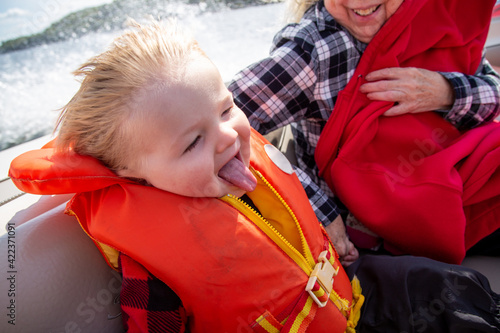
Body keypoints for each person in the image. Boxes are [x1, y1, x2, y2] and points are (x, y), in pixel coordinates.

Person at [9, 20, 500, 333]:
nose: (226, 136)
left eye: (225, 109)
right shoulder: (146, 256)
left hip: (348, 290)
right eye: (192, 142)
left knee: (449, 289)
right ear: (131, 173)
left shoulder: (240, 154)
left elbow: (288, 173)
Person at [228, 0, 500, 264]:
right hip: (372, 236)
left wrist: (446, 91)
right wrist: (319, 212)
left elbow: (494, 91)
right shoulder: (316, 50)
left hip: (460, 187)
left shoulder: (434, 18)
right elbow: (220, 128)